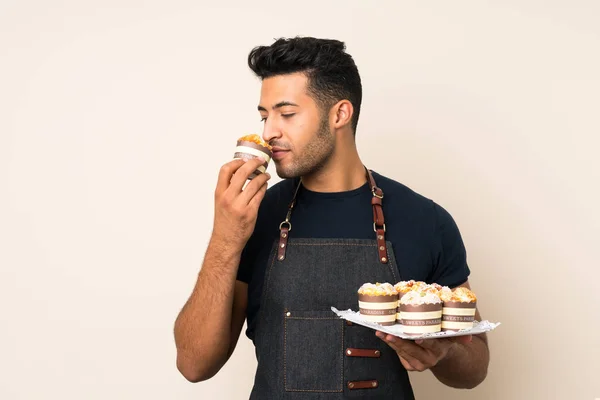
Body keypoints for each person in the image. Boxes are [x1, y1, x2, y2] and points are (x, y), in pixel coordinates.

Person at [173, 36, 490, 399]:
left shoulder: (425, 219)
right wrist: (225, 238)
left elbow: (474, 369)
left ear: (340, 114)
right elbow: (194, 365)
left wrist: (444, 351)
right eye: (264, 115)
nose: (268, 133)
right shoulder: (251, 215)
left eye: (287, 114)